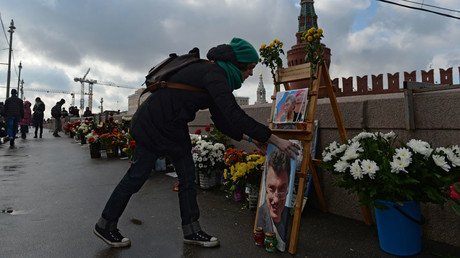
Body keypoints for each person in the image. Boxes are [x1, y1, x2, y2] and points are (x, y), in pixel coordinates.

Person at [93, 37, 300, 248]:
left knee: (188, 177)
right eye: (250, 67)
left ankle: (192, 231)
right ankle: (105, 225)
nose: (251, 74)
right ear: (238, 64)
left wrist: (251, 139)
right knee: (137, 177)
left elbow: (221, 119)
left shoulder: (215, 74)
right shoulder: (214, 74)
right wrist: (274, 138)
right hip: (154, 124)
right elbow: (234, 114)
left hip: (172, 126)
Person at [256, 147, 291, 252]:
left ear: (289, 187)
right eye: (271, 188)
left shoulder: (290, 215)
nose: (276, 200)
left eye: (282, 189)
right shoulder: (261, 214)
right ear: (265, 185)